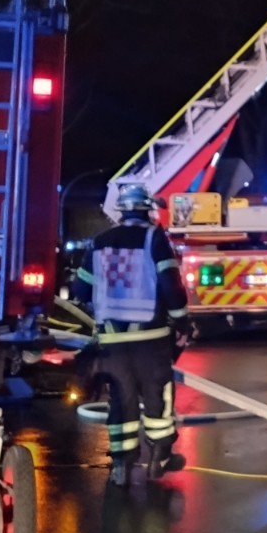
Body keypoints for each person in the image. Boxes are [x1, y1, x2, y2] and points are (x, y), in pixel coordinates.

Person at [79, 183, 192, 485]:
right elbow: (171, 284)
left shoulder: (100, 242)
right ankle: (159, 458)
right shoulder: (155, 238)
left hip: (112, 341)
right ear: (147, 209)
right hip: (151, 339)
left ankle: (121, 465)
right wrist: (182, 321)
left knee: (120, 399)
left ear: (121, 211)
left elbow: (81, 289)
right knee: (157, 397)